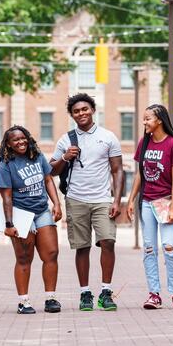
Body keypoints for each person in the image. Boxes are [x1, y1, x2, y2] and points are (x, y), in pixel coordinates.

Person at [50, 93, 123, 311]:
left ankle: (106, 291)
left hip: (102, 199)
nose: (81, 113)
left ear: (93, 110)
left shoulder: (108, 136)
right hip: (75, 199)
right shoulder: (66, 140)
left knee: (108, 241)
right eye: (76, 111)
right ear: (72, 115)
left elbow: (118, 171)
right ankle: (85, 293)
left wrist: (117, 200)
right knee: (82, 247)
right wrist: (65, 157)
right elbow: (51, 170)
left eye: (85, 109)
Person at [0, 125, 62, 314]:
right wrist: (9, 224)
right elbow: (6, 197)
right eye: (15, 139)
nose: (20, 142)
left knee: (51, 254)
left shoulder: (38, 157)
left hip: (41, 212)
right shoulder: (5, 166)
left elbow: (48, 180)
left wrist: (56, 204)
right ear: (8, 144)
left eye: (23, 138)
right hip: (21, 215)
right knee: (24, 258)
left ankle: (51, 299)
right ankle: (23, 301)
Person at [127, 104, 173, 309]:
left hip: (166, 201)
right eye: (144, 119)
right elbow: (139, 174)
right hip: (146, 202)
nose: (144, 123)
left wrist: (172, 208)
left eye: (147, 119)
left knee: (169, 247)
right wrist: (131, 200)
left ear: (159, 120)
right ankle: (154, 294)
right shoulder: (144, 142)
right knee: (149, 249)